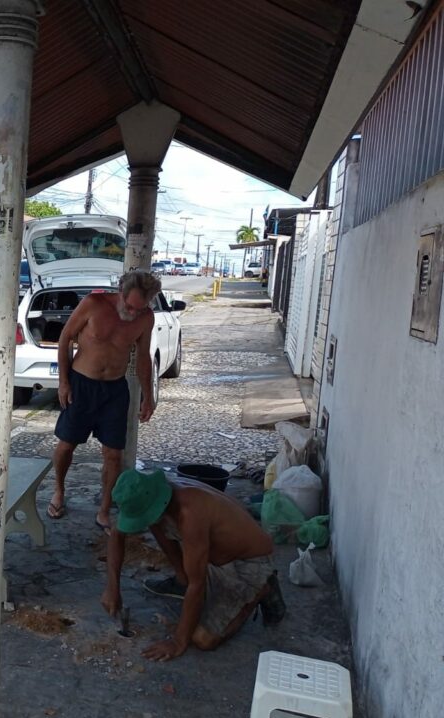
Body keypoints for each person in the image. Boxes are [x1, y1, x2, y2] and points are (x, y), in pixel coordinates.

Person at [105, 469, 286, 661]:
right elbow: (117, 534)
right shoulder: (152, 490)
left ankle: (262, 589)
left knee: (202, 640)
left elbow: (197, 584)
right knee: (156, 521)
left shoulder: (190, 513)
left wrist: (178, 642)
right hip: (214, 554)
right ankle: (182, 578)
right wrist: (112, 587)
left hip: (247, 562)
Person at [47, 270, 163, 529]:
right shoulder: (93, 304)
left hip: (114, 390)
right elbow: (65, 338)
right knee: (67, 445)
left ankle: (104, 509)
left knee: (113, 454)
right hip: (81, 384)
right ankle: (59, 491)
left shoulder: (146, 318)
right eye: (130, 306)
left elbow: (143, 357)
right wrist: (63, 382)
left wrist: (148, 396)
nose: (132, 313)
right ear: (121, 292)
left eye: (139, 308)